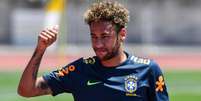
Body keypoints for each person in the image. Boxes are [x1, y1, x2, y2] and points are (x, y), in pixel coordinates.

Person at [18, 1, 169, 101]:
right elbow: (27, 90)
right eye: (93, 37)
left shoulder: (148, 70)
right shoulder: (78, 70)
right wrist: (40, 49)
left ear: (122, 34)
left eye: (105, 36)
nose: (98, 44)